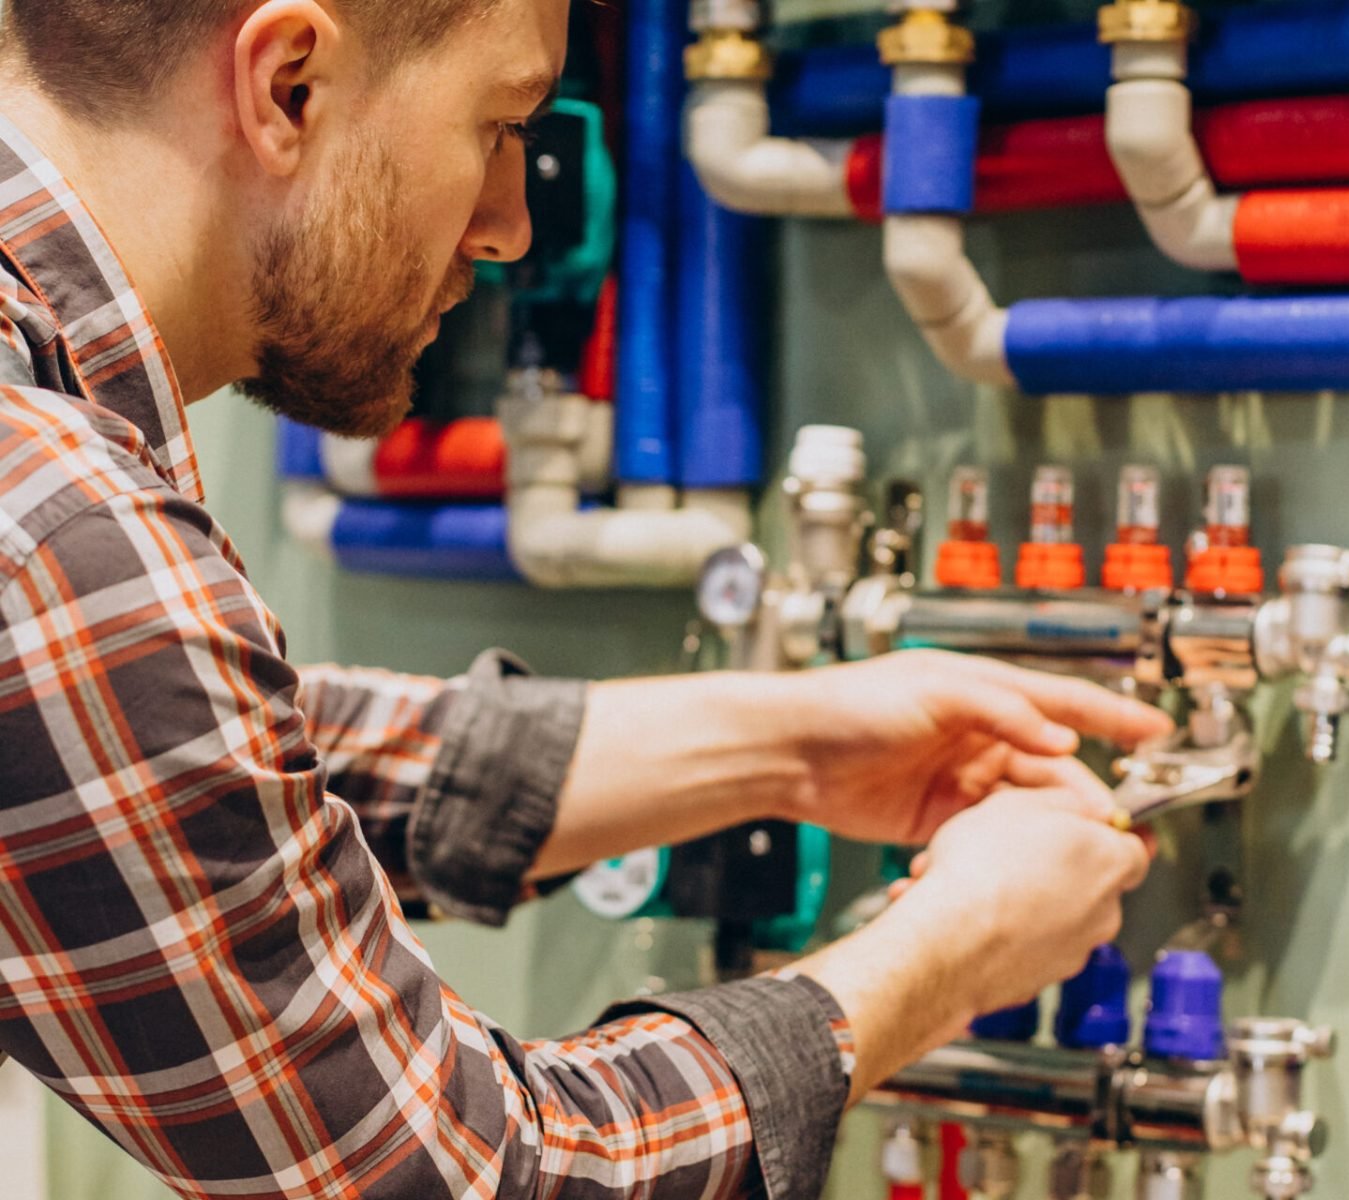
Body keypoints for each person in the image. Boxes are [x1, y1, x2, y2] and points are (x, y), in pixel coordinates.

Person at [0, 2, 1168, 1198]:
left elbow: (191, 772)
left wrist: (789, 744)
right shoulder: (57, 529)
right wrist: (948, 955)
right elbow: (474, 1176)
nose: (511, 226)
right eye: (499, 124)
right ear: (289, 84)